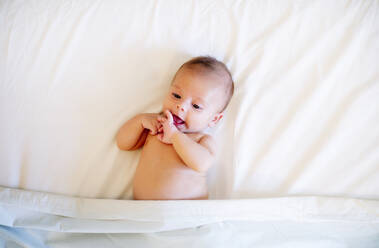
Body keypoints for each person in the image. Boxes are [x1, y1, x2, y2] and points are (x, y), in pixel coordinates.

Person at [116, 56, 234, 200]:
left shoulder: (200, 139)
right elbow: (123, 143)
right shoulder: (156, 126)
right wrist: (140, 120)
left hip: (184, 214)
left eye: (196, 106)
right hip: (143, 212)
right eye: (176, 95)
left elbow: (202, 164)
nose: (181, 106)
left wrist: (175, 136)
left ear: (214, 119)